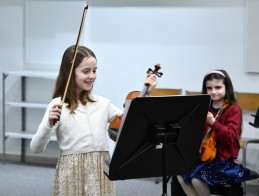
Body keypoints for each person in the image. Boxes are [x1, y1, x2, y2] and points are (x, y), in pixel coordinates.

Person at [30, 45, 158, 196]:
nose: (92, 75)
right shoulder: (57, 105)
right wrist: (48, 125)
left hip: (99, 169)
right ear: (69, 73)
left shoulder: (102, 103)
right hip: (71, 171)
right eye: (86, 71)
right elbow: (36, 148)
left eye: (94, 70)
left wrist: (145, 94)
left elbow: (130, 121)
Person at [177, 70, 250, 196]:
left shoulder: (233, 110)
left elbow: (230, 137)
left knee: (197, 179)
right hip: (204, 157)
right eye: (209, 88)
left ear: (226, 87)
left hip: (224, 160)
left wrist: (213, 122)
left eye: (218, 87)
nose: (213, 92)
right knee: (179, 173)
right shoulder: (204, 107)